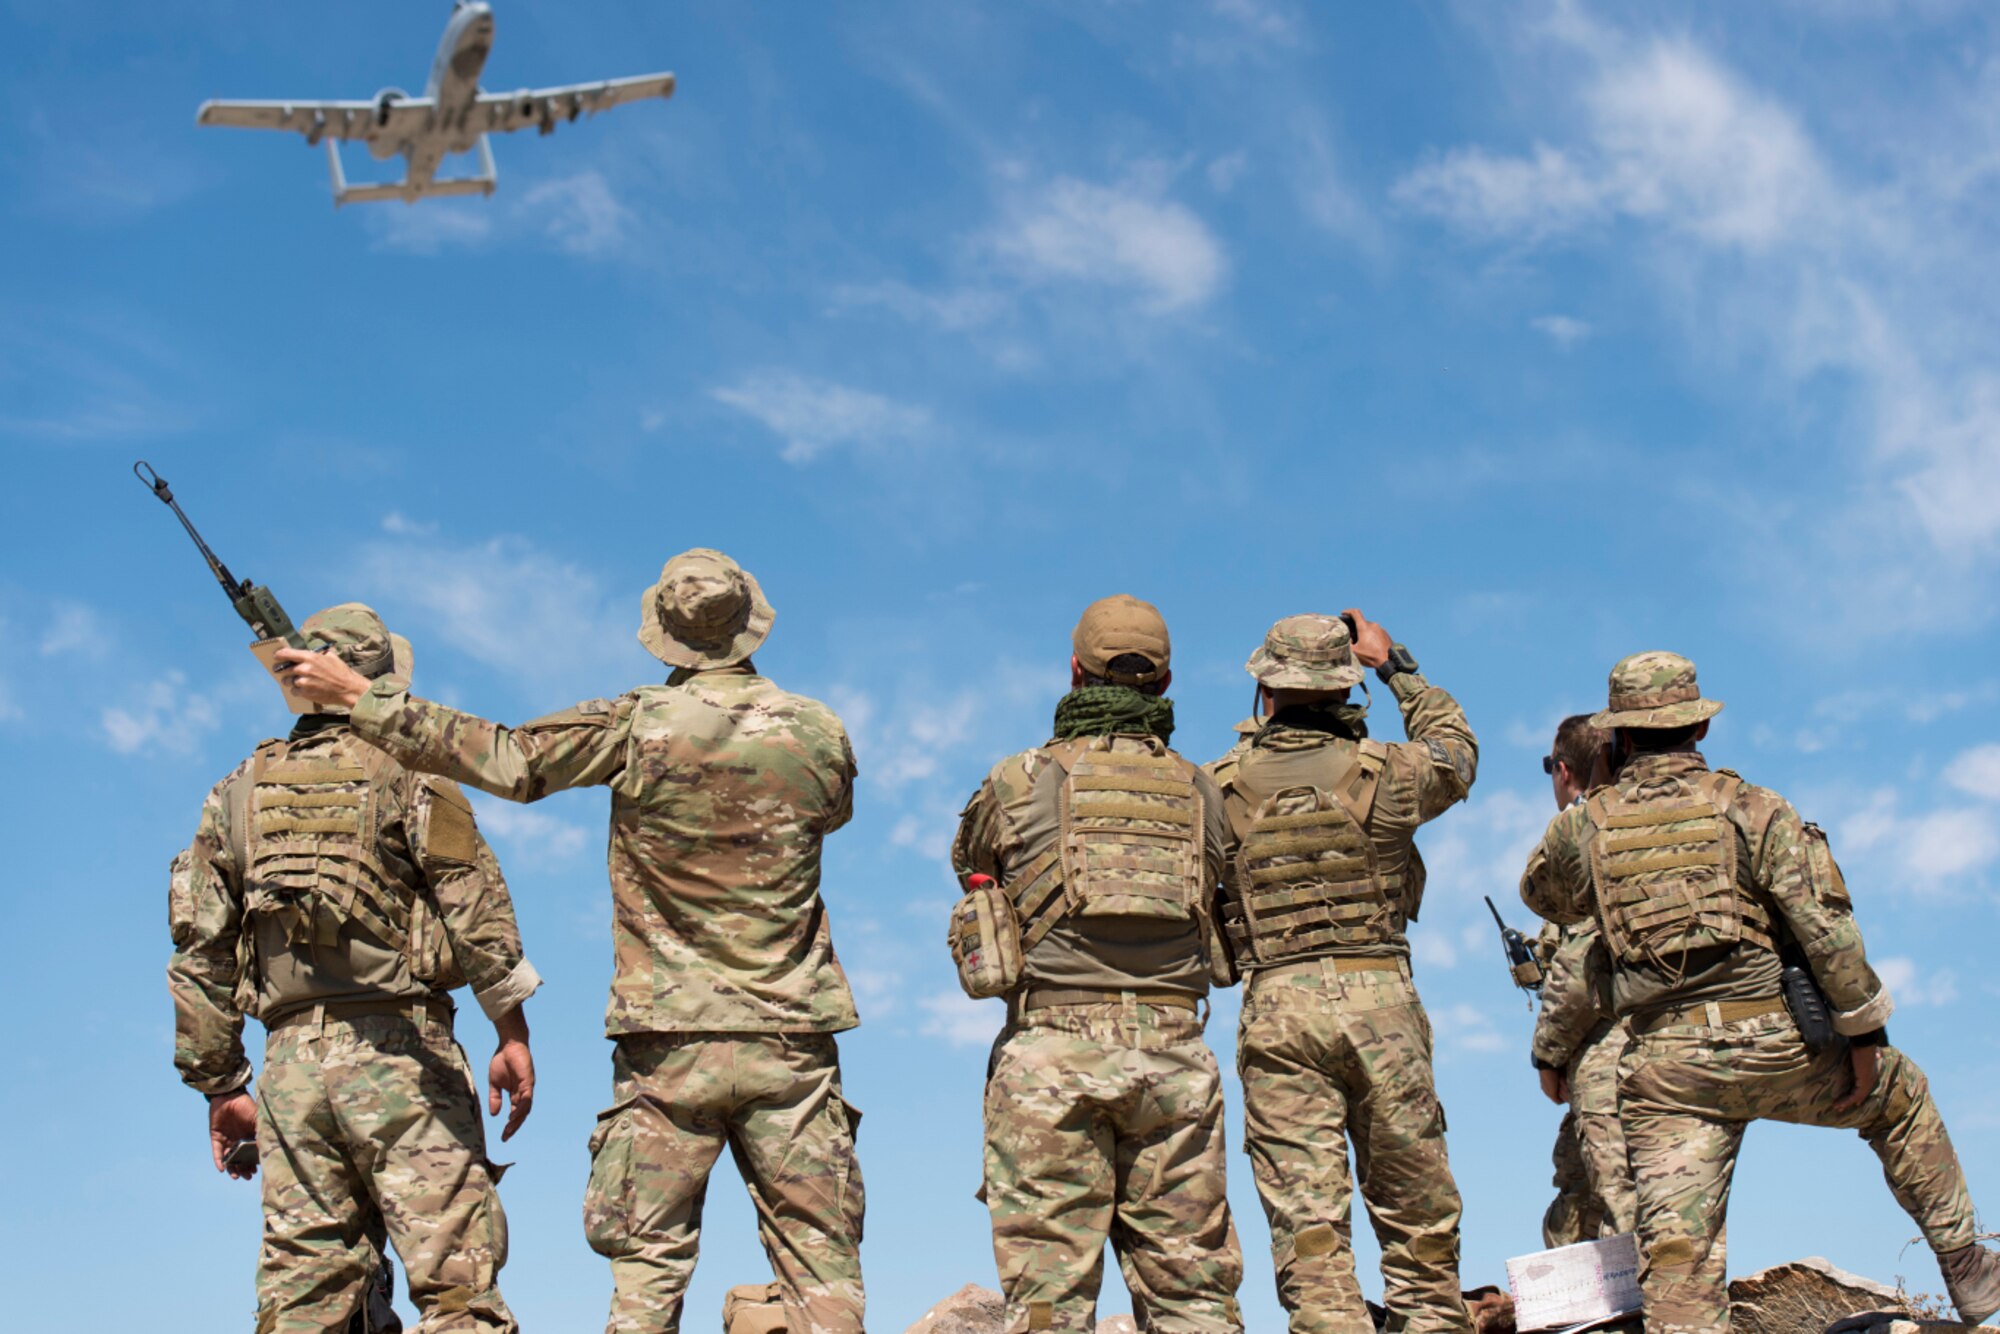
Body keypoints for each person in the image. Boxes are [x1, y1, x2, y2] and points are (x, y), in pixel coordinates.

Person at [280, 550, 866, 1334]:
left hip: (668, 1045)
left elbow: (513, 761)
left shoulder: (630, 724)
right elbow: (833, 814)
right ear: (748, 622)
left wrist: (366, 701)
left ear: (663, 631)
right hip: (793, 1039)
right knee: (820, 1265)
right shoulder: (820, 731)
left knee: (648, 1271)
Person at [1520, 651, 2000, 1333]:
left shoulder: (1584, 827)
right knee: (1900, 1098)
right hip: (1773, 1045)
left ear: (1621, 739)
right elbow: (1826, 929)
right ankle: (1968, 1272)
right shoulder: (1753, 808)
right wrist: (1864, 1036)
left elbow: (1543, 894)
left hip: (1666, 1074)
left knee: (1680, 1270)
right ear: (1699, 731)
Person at [169, 603, 539, 1333]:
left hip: (290, 1072)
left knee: (304, 1303)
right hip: (403, 1057)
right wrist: (512, 1032)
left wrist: (222, 1086)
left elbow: (198, 953)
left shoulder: (233, 793)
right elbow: (476, 913)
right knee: (457, 1290)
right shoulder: (411, 771)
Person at [952, 594, 1244, 1334]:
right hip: (1175, 1056)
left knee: (1048, 1302)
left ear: (1075, 673)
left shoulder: (1017, 778)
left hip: (1051, 1057)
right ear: (1165, 685)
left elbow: (970, 863)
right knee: (1194, 1296)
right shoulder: (1205, 788)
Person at [1206, 611, 1477, 1334]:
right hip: (1381, 997)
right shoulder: (1395, 772)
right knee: (1417, 1215)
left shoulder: (1216, 788)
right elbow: (1458, 749)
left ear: (1265, 686)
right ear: (1344, 683)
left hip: (1278, 1004)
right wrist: (1397, 667)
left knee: (1310, 1228)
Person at [1530, 714, 1636, 1247]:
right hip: (1639, 1048)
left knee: (1621, 1203)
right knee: (1578, 1195)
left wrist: (1547, 1055)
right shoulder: (1642, 820)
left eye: (1550, 766)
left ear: (1564, 769)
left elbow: (1580, 961)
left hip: (1610, 1053)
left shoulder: (1586, 835)